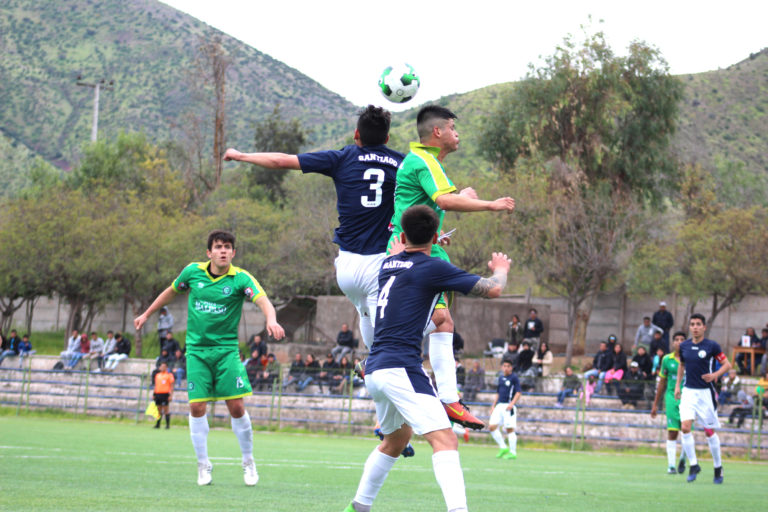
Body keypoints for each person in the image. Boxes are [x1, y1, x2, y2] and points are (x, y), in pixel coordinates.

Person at [342, 204, 511, 512]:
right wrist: (501, 268)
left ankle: (358, 507)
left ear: (403, 235)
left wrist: (425, 243)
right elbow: (494, 289)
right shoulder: (433, 267)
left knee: (396, 440)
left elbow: (402, 252)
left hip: (377, 368)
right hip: (400, 368)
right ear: (435, 237)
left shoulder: (387, 265)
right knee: (446, 440)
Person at [225, 105, 402, 355]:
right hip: (379, 262)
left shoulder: (342, 158)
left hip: (347, 267)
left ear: (356, 135)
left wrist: (241, 155)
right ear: (387, 138)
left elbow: (280, 161)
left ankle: (372, 363)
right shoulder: (400, 163)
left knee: (364, 310)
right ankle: (383, 366)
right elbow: (431, 196)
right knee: (393, 336)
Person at [385, 105, 515, 429]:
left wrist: (439, 232)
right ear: (438, 132)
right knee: (440, 321)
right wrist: (490, 204)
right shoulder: (424, 161)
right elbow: (443, 201)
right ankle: (445, 398)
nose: (458, 135)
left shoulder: (428, 163)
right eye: (454, 128)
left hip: (414, 248)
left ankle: (444, 398)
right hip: (409, 253)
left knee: (442, 321)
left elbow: (432, 206)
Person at [134, 229, 285, 487]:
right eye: (218, 247)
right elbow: (171, 291)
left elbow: (263, 301)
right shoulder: (192, 272)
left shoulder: (240, 279)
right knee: (196, 407)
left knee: (236, 406)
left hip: (226, 351)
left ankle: (248, 461)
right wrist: (147, 314)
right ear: (209, 252)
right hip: (197, 352)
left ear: (233, 253)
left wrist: (271, 319)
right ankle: (203, 464)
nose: (222, 250)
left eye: (227, 247)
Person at [674, 313, 730, 484]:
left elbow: (727, 365)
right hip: (689, 392)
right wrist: (678, 386)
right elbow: (682, 366)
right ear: (690, 327)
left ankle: (718, 467)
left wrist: (715, 375)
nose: (695, 327)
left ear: (704, 327)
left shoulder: (712, 346)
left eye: (698, 324)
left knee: (709, 431)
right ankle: (694, 465)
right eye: (692, 324)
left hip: (705, 393)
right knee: (684, 427)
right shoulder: (684, 346)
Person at [651, 331, 688, 475]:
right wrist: (655, 404)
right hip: (672, 397)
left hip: (688, 398)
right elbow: (662, 382)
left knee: (686, 430)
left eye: (682, 339)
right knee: (672, 431)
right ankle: (671, 465)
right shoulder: (667, 359)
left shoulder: (690, 359)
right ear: (672, 343)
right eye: (676, 340)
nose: (679, 342)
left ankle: (683, 459)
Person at [488, 360, 522, 459]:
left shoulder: (514, 378)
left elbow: (518, 392)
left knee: (509, 429)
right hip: (499, 406)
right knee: (491, 427)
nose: (506, 368)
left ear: (511, 367)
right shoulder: (501, 378)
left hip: (508, 406)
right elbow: (498, 392)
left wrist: (512, 404)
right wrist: (493, 405)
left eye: (508, 366)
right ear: (502, 367)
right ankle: (503, 447)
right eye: (504, 366)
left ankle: (513, 452)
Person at [153, 361, 175, 429]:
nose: (162, 367)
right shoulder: (157, 375)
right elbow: (156, 385)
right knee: (158, 409)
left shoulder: (169, 375)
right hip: (158, 394)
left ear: (166, 367)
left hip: (165, 394)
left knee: (166, 410)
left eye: (164, 366)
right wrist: (154, 393)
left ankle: (167, 425)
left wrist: (171, 395)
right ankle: (158, 424)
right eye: (161, 366)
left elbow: (171, 386)